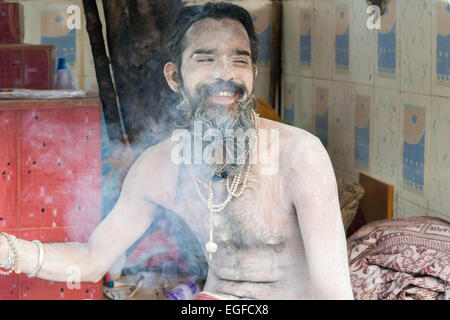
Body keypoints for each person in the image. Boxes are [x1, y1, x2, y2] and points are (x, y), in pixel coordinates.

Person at [0, 2, 353, 300]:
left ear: (253, 74)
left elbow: (334, 293)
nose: (224, 75)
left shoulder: (300, 155)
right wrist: (11, 251)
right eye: (206, 58)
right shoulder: (159, 167)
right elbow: (93, 259)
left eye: (239, 60)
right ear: (173, 77)